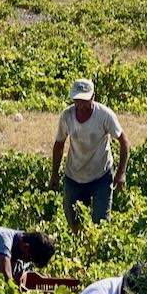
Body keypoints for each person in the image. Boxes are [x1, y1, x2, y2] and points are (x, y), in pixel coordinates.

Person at [50, 78, 129, 233]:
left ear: (93, 97)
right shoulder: (67, 116)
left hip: (101, 176)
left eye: (84, 100)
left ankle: (96, 254)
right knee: (73, 223)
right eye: (77, 100)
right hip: (74, 176)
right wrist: (54, 174)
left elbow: (124, 142)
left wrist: (121, 173)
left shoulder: (104, 115)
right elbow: (59, 144)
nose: (80, 105)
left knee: (101, 225)